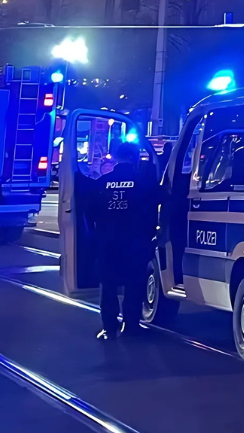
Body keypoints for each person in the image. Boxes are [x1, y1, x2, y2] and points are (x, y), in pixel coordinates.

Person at [84, 142, 159, 339]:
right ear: (135, 158)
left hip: (107, 243)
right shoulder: (144, 182)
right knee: (134, 284)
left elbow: (88, 212)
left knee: (108, 286)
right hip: (136, 242)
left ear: (116, 158)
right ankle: (130, 325)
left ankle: (109, 328)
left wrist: (95, 237)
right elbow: (160, 203)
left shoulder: (101, 183)